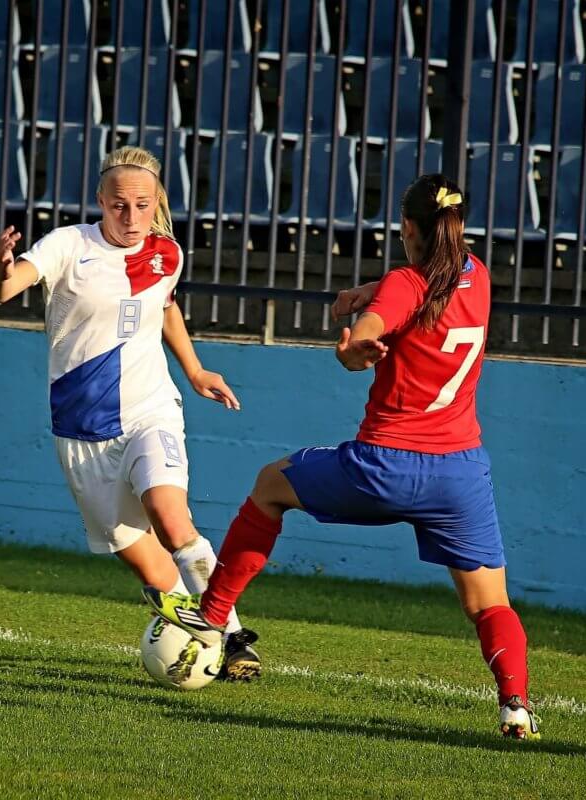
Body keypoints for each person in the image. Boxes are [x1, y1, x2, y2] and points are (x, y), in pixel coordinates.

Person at [146, 174, 539, 738]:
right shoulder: (477, 276)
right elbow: (421, 290)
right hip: (460, 474)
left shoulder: (405, 283)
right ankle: (516, 705)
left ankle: (210, 619)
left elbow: (378, 325)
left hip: (387, 466)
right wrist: (370, 293)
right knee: (488, 604)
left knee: (270, 485)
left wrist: (357, 344)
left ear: (407, 229)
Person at [0, 145, 261, 681]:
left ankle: (230, 639)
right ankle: (200, 641)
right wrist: (1, 269)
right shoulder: (69, 245)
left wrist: (196, 371)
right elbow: (6, 289)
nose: (130, 216)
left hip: (150, 408)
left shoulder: (167, 254)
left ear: (155, 200)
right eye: (118, 205)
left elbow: (165, 306)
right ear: (100, 202)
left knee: (170, 516)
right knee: (148, 565)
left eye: (141, 204)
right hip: (82, 431)